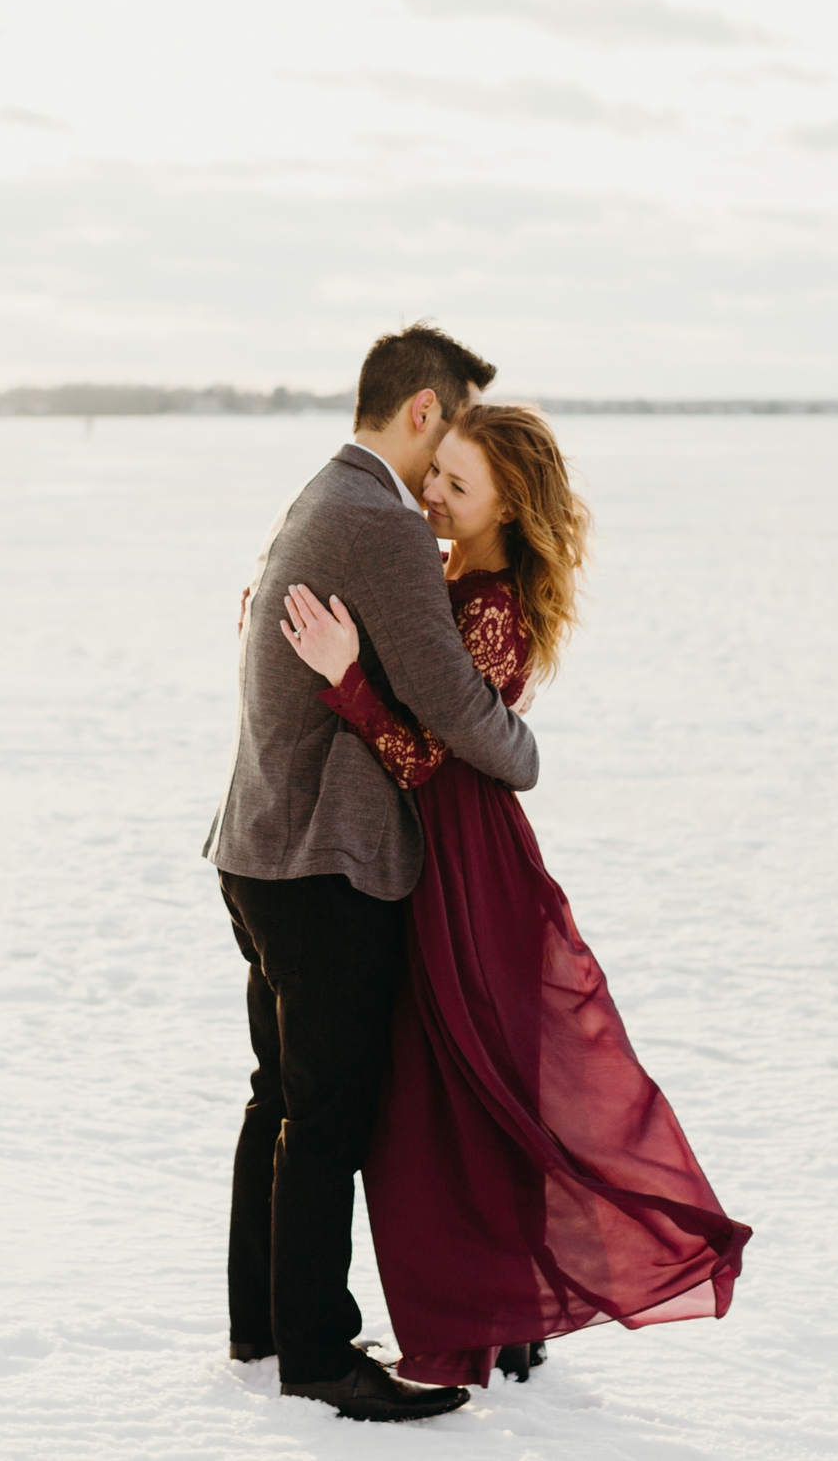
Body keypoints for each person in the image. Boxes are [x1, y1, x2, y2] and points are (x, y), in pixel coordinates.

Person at [279, 403, 751, 1389]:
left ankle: (489, 1318)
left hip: (466, 862)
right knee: (467, 1085)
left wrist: (344, 677)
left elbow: (423, 759)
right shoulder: (450, 577)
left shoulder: (487, 604)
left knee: (462, 1084)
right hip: (443, 854)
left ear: (509, 505)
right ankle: (507, 1311)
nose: (432, 492)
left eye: (457, 481)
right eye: (435, 470)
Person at [204, 322, 536, 1422]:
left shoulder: (317, 495)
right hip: (322, 863)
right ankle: (319, 1351)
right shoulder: (382, 525)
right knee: (330, 1114)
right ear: (428, 411)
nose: (439, 483)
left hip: (256, 849)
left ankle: (264, 1323)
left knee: (281, 1099)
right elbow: (451, 699)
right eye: (448, 443)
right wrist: (523, 751)